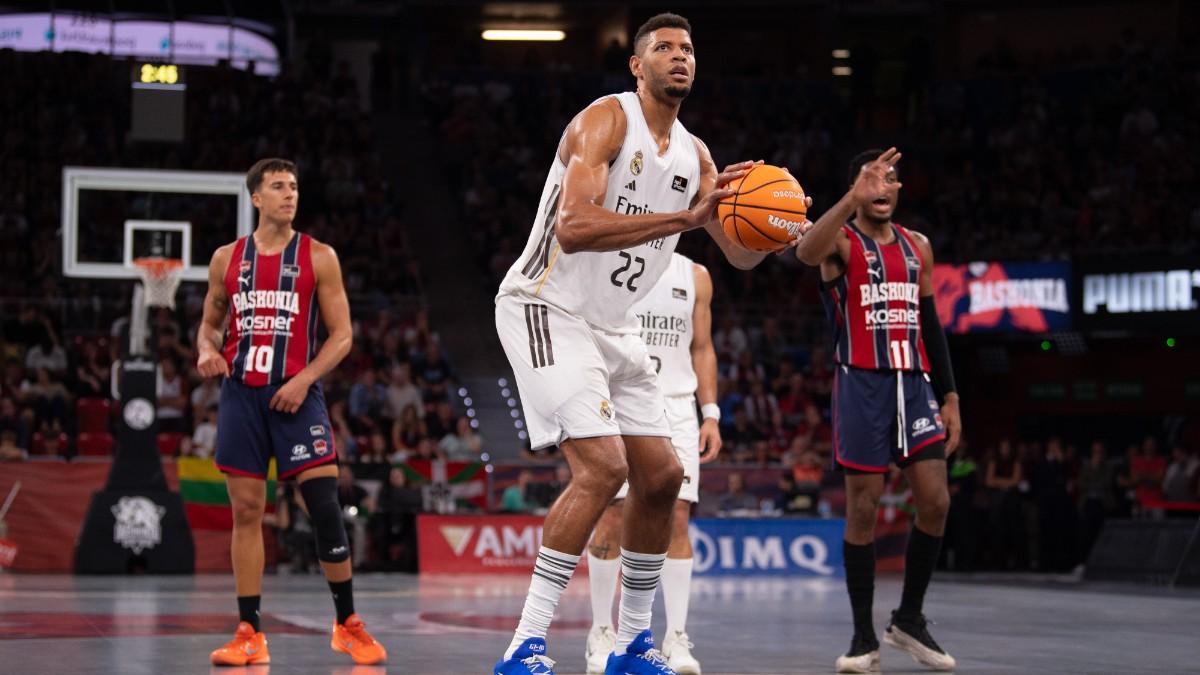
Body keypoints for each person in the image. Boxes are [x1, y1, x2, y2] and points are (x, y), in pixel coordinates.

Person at [491, 13, 803, 675]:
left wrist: (771, 223)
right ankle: (523, 645)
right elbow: (573, 227)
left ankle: (632, 645)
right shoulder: (605, 121)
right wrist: (685, 218)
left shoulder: (698, 157)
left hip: (613, 326)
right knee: (604, 470)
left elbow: (736, 256)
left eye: (688, 48)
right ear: (637, 65)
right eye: (664, 47)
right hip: (545, 305)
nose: (679, 56)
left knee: (661, 476)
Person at [196, 158, 386, 666]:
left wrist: (303, 380)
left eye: (294, 186)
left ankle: (347, 624)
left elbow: (343, 335)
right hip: (241, 396)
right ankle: (249, 632)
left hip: (297, 396)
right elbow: (210, 325)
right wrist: (205, 351)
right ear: (256, 198)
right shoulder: (226, 259)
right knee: (247, 512)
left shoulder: (319, 256)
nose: (289, 194)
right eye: (278, 187)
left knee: (324, 507)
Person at [795, 148, 962, 672]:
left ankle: (908, 619)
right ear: (857, 188)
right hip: (860, 384)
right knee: (863, 508)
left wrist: (951, 395)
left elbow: (931, 326)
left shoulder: (920, 248)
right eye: (871, 178)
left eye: (890, 178)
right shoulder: (842, 243)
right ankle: (863, 638)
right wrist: (849, 198)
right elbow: (804, 252)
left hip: (914, 385)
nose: (882, 186)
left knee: (935, 500)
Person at [584, 253, 721, 675]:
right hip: (621, 397)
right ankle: (602, 631)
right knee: (613, 514)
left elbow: (702, 347)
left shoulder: (696, 274)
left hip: (678, 406)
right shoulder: (611, 259)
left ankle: (675, 638)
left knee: (678, 517)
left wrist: (711, 412)